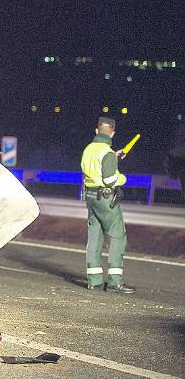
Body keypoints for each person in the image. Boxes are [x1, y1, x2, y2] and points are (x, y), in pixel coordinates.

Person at [80, 116, 135, 294]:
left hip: (90, 197)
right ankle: (114, 282)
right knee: (117, 236)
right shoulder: (107, 152)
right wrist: (123, 178)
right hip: (106, 199)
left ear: (97, 131)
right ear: (112, 133)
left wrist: (114, 158)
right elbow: (110, 180)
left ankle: (94, 281)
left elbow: (96, 169)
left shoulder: (89, 149)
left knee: (94, 237)